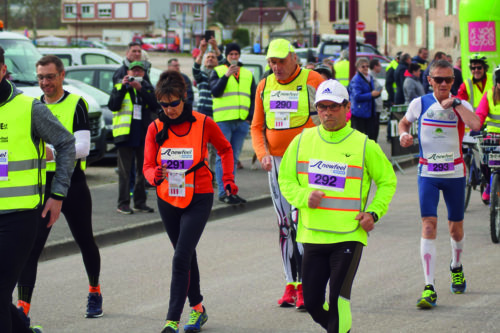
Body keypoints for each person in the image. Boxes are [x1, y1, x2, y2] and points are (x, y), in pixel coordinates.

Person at [278, 79, 397, 332]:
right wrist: (302, 196)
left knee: (338, 299)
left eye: (333, 107)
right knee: (311, 303)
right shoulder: (302, 141)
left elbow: (387, 181)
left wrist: (374, 213)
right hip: (312, 235)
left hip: (348, 236)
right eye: (322, 107)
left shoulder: (364, 144)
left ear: (347, 107)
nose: (327, 113)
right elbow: (285, 179)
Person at [143, 70, 238, 333]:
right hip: (168, 198)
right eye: (164, 104)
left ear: (184, 98)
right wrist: (154, 176)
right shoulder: (155, 127)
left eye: (174, 103)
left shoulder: (203, 122)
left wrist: (228, 179)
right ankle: (197, 309)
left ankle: (171, 320)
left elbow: (225, 149)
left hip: (199, 196)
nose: (170, 109)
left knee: (181, 256)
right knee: (185, 255)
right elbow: (148, 165)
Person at [16, 55, 103, 323]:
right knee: (31, 248)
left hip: (73, 184)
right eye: (41, 77)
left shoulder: (76, 103)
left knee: (84, 240)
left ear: (62, 75)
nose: (45, 83)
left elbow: (83, 148)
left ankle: (94, 291)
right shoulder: (34, 106)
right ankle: (23, 310)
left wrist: (49, 153)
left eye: (50, 77)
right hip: (43, 187)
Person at [0, 46, 75, 333]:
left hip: (18, 219)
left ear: (3, 70)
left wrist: (58, 194)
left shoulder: (29, 108)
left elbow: (67, 144)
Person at [399, 60, 481, 309]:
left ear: (453, 82)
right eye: (439, 79)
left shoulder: (460, 104)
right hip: (428, 173)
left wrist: (456, 104)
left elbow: (476, 124)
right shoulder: (420, 103)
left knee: (455, 229)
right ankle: (429, 287)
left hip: (455, 174)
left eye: (448, 80)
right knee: (429, 225)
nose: (444, 84)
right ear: (430, 80)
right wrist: (404, 134)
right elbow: (404, 122)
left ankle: (456, 266)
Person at [251, 38, 324, 310]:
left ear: (294, 57)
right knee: (284, 225)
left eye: (281, 60)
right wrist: (262, 154)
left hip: (307, 164)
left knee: (302, 223)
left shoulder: (312, 79)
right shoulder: (264, 85)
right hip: (278, 164)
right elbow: (257, 126)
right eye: (272, 61)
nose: (276, 66)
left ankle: (308, 285)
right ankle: (290, 284)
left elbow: (337, 116)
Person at [108, 61, 158, 214]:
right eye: (133, 71)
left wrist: (140, 89)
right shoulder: (119, 87)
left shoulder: (148, 88)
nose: (136, 74)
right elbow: (113, 105)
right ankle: (123, 203)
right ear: (127, 72)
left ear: (144, 73)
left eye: (139, 71)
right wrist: (124, 87)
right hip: (125, 135)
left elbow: (156, 105)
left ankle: (140, 202)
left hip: (143, 135)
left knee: (143, 170)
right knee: (125, 171)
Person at [210, 42, 256, 204]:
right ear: (226, 55)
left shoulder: (248, 74)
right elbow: (215, 92)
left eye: (236, 54)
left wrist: (249, 117)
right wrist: (226, 76)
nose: (234, 57)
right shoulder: (218, 71)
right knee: (222, 157)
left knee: (234, 157)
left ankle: (231, 190)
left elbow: (253, 97)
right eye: (231, 55)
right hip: (224, 120)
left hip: (241, 122)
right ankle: (223, 192)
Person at [193, 37, 224, 173]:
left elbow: (225, 64)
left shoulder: (220, 75)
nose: (210, 58)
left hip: (217, 113)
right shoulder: (202, 76)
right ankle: (200, 173)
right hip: (202, 114)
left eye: (213, 57)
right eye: (208, 57)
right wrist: (202, 51)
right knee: (200, 145)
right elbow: (195, 69)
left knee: (214, 148)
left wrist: (216, 48)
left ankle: (212, 175)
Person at [474, 65, 500, 202]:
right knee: (485, 161)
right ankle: (490, 184)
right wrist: (475, 126)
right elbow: (480, 114)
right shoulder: (490, 94)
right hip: (493, 138)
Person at [349, 58, 381, 141]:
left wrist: (377, 94)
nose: (366, 68)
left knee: (371, 136)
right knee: (360, 138)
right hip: (359, 113)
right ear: (358, 68)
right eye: (363, 66)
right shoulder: (356, 79)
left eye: (367, 66)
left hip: (369, 112)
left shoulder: (369, 77)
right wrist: (371, 94)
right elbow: (356, 96)